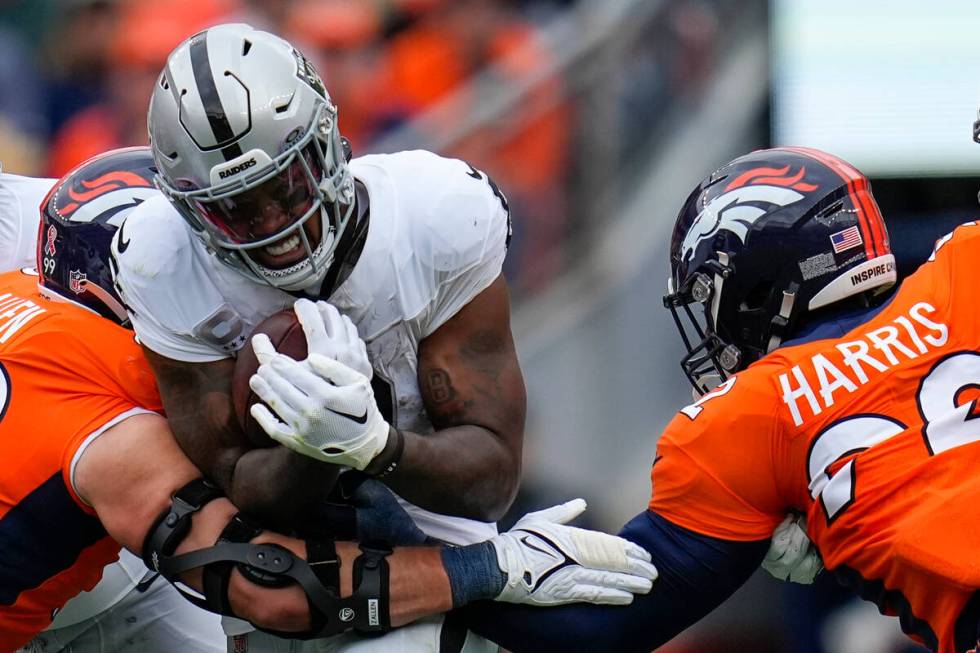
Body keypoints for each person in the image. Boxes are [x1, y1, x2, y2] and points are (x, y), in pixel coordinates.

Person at [3, 147, 657, 653]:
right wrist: (494, 566)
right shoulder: (106, 423)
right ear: (124, 299)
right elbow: (273, 584)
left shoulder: (25, 285)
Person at [461, 146, 980, 653]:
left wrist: (454, 577)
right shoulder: (965, 266)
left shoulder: (752, 411)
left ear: (754, 287)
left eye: (708, 298)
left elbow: (600, 629)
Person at [112, 23, 526, 650]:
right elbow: (236, 485)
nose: (275, 227)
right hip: (275, 561)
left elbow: (492, 482)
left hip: (437, 536)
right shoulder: (159, 263)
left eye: (286, 186)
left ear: (327, 143)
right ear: (191, 211)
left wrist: (375, 446)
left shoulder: (436, 215)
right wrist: (313, 444)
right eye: (237, 208)